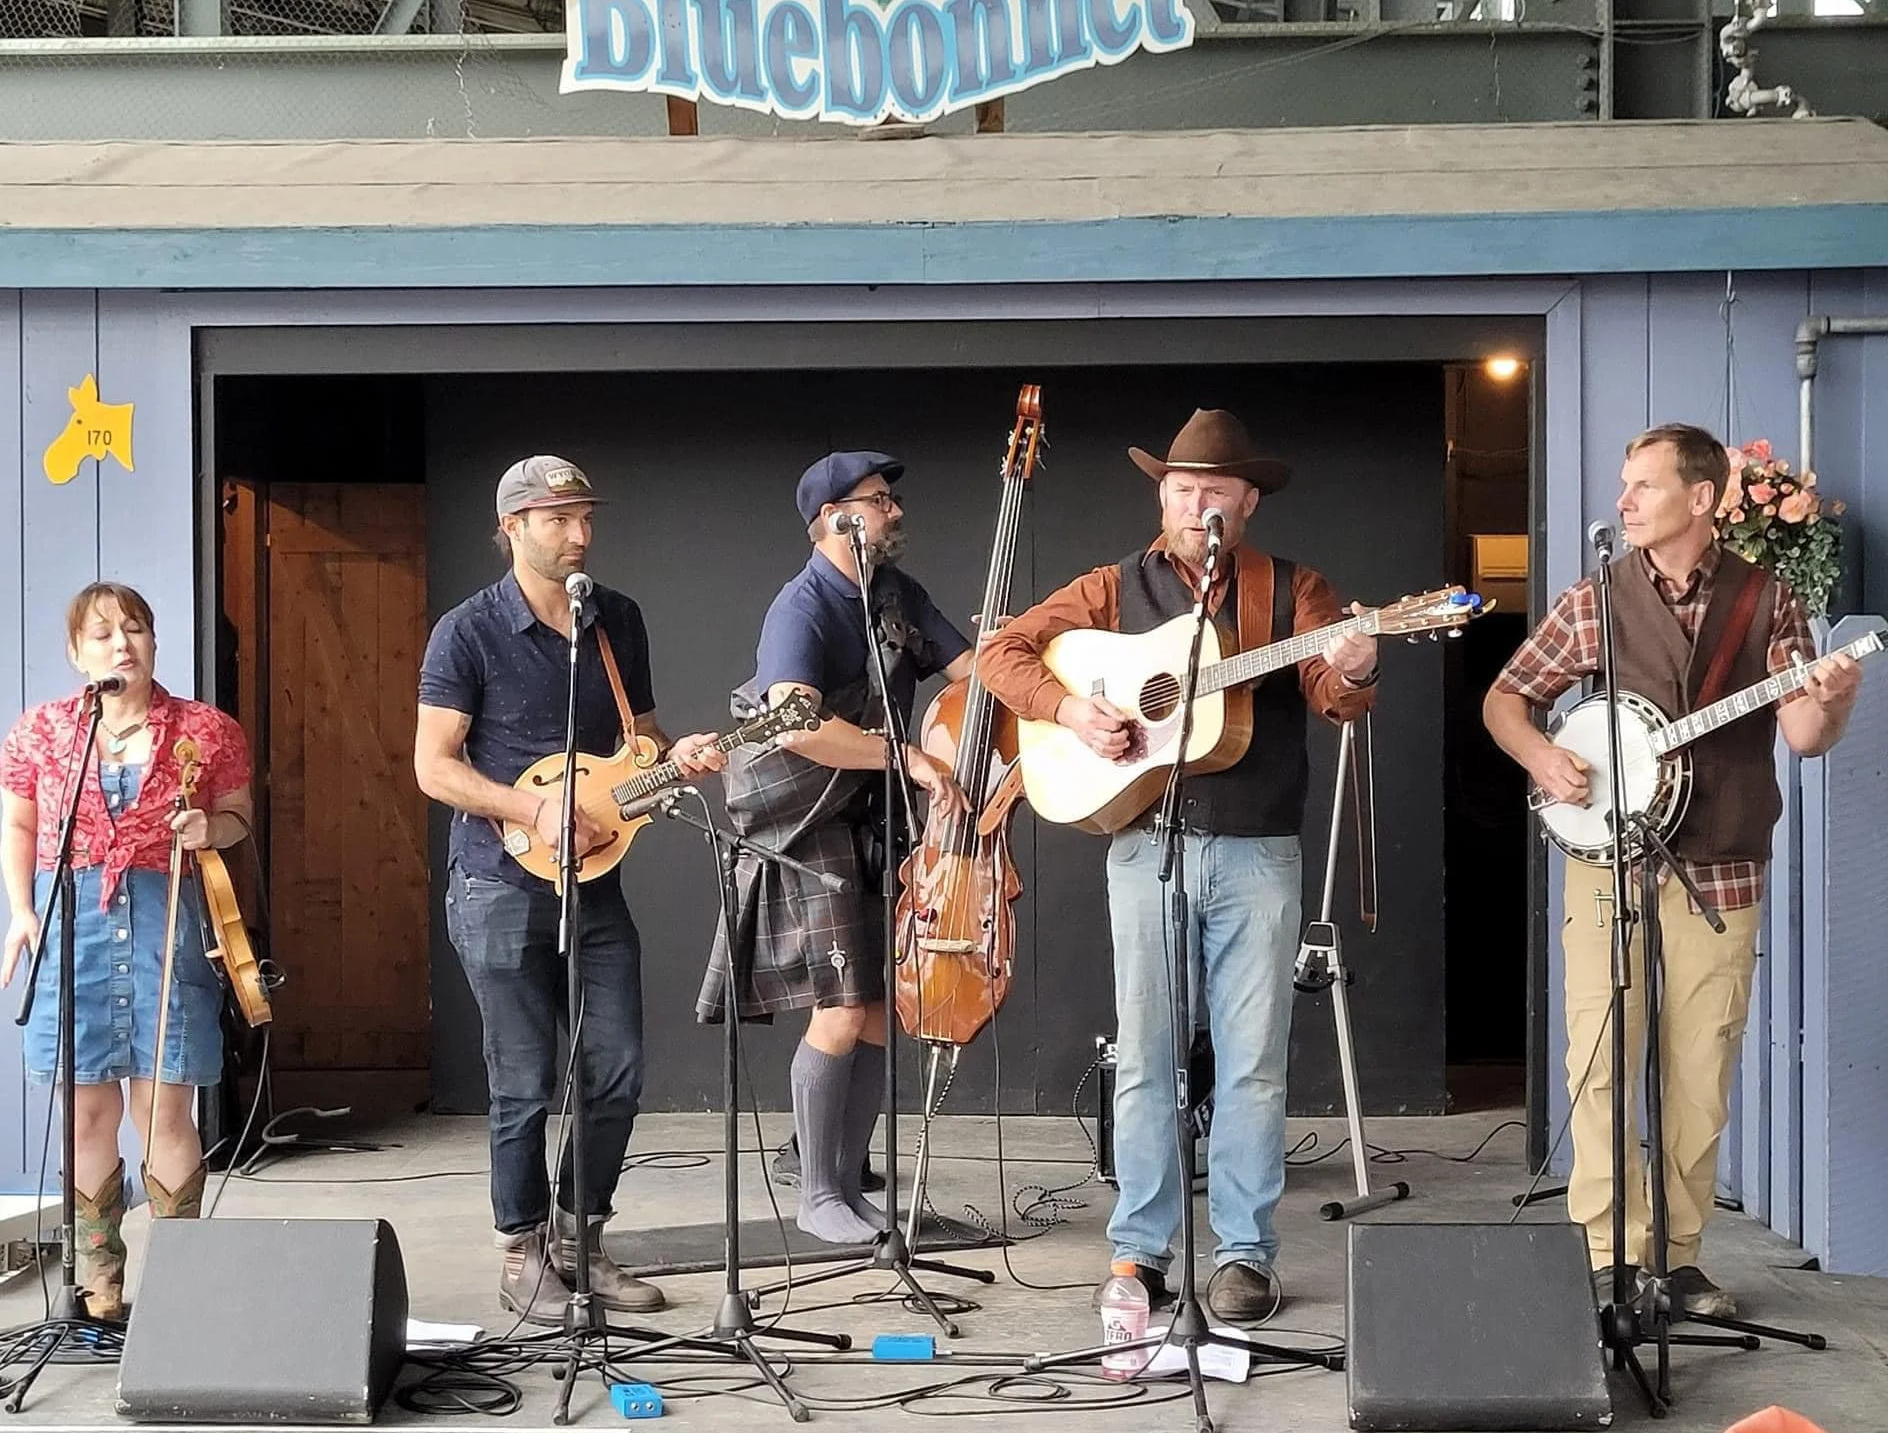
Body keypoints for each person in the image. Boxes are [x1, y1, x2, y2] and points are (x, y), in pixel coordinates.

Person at [976, 409, 1378, 1324]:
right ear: (1164, 495)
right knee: (1147, 1058)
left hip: (1257, 852)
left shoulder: (1293, 590)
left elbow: (1333, 700)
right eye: (1182, 489)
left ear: (1247, 505)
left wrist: (1353, 664)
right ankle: (1140, 1252)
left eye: (1217, 493)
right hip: (1144, 844)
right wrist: (1072, 710)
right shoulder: (1112, 588)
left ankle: (1244, 1255)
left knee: (1251, 1065)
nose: (1198, 505)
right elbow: (1002, 652)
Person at [1483, 422, 1861, 1321]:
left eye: (1643, 486)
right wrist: (1542, 758)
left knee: (1701, 1068)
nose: (1623, 503)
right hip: (1608, 857)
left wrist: (1833, 704)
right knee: (1602, 1059)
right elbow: (1507, 699)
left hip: (1723, 861)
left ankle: (1679, 1258)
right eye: (1625, 486)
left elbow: (1803, 735)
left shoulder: (1769, 600)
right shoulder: (1594, 599)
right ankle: (1610, 1256)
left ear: (1703, 497)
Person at [416, 456, 725, 1323]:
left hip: (596, 883)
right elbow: (431, 766)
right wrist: (531, 807)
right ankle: (522, 1253)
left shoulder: (616, 620)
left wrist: (677, 760)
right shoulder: (467, 632)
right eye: (558, 520)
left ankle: (580, 1243)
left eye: (586, 516)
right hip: (496, 882)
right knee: (522, 1080)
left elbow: (641, 742)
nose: (580, 533)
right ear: (511, 526)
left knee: (615, 1066)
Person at [697, 451, 971, 1244]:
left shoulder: (896, 594)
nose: (893, 510)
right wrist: (907, 755)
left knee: (884, 1008)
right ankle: (817, 1195)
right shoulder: (803, 605)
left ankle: (851, 1186)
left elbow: (969, 671)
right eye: (878, 500)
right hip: (800, 819)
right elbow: (796, 721)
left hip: (869, 819)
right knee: (843, 1007)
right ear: (834, 518)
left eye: (888, 497)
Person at [0, 581, 254, 1321]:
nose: (122, 645)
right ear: (78, 653)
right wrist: (21, 910)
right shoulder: (43, 734)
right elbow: (19, 828)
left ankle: (179, 1291)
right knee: (85, 1111)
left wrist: (211, 829)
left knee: (165, 1104)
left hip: (164, 913)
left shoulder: (204, 729)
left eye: (135, 630)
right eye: (104, 633)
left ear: (153, 642)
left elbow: (238, 817)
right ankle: (99, 1290)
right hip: (71, 916)